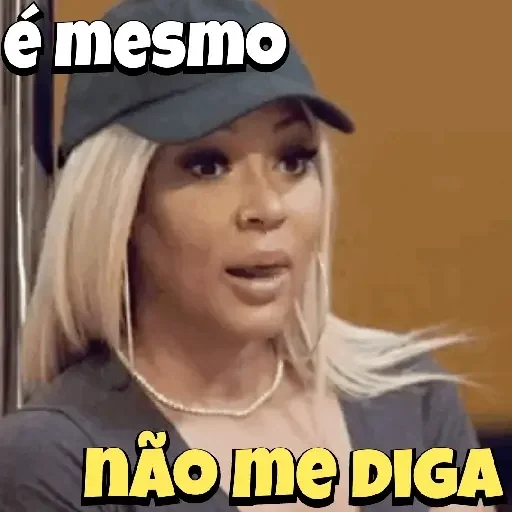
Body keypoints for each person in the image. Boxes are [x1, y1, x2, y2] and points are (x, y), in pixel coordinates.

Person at [0, 0, 490, 511]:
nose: (268, 207)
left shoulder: (412, 401)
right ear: (118, 207)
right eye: (208, 166)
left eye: (293, 159)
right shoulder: (56, 462)